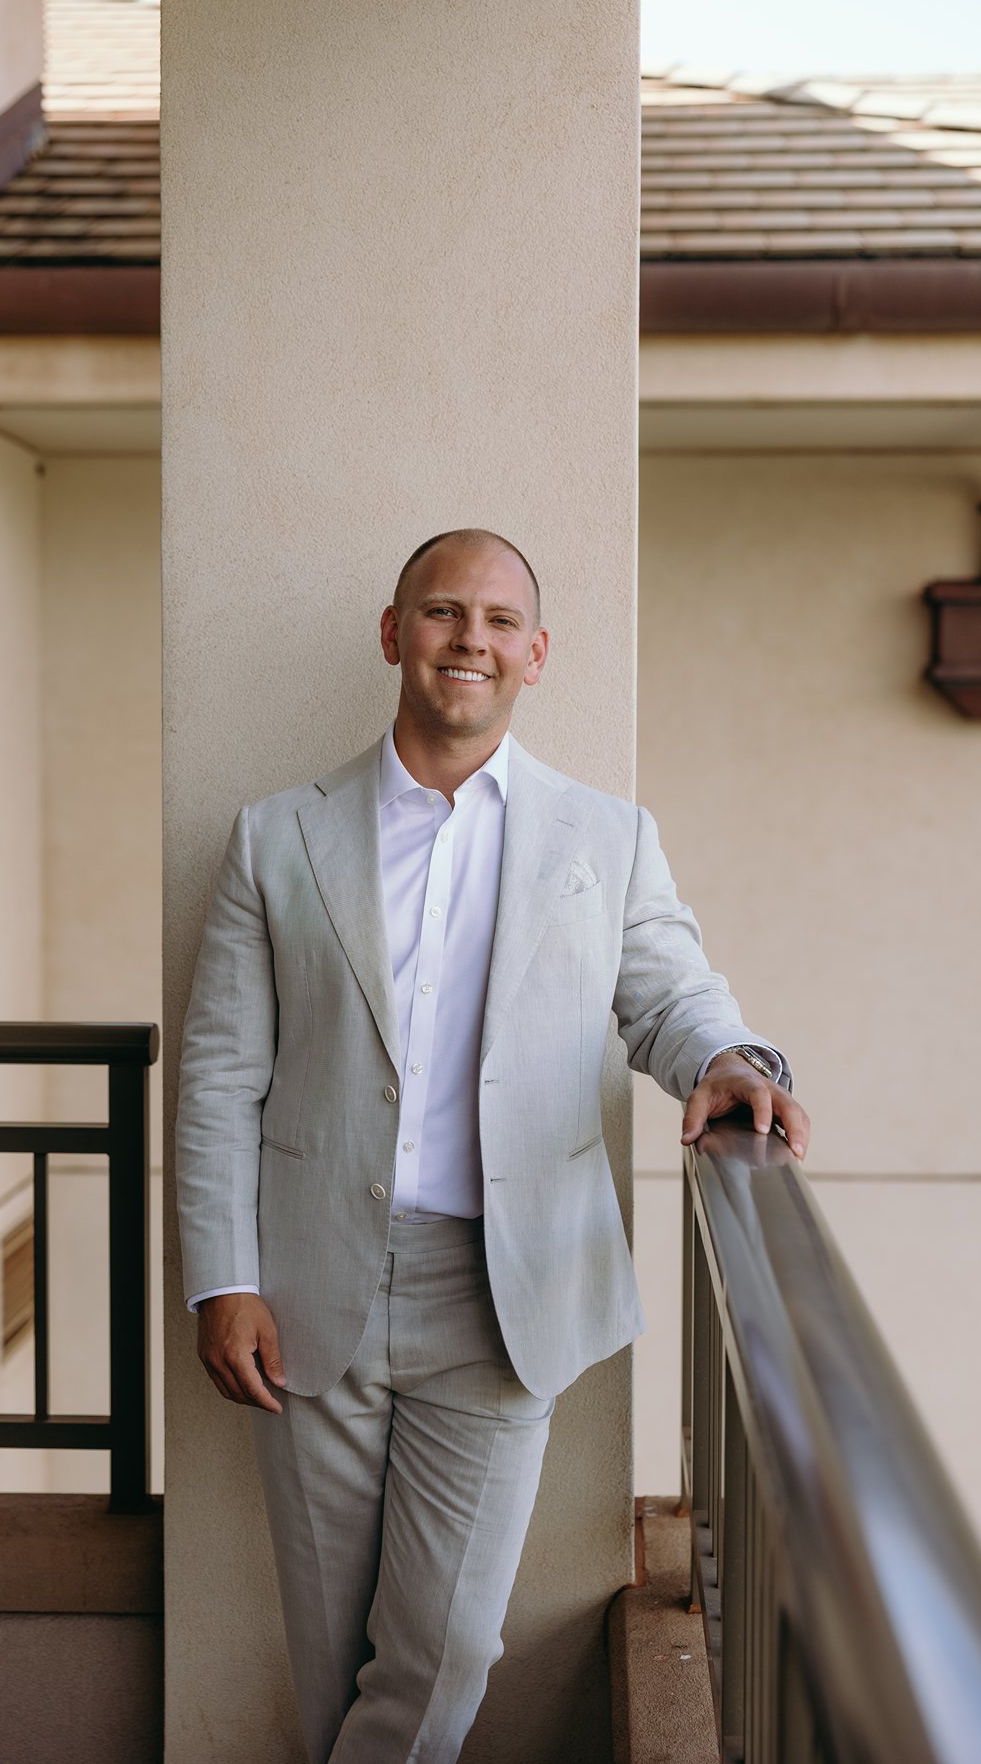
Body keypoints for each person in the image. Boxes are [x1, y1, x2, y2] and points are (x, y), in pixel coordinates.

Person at [175, 527, 809, 1763]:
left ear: (537, 653)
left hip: (503, 1293)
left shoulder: (604, 837)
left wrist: (737, 1065)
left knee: (447, 1647)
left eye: (499, 621)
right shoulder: (275, 837)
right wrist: (222, 1276)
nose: (471, 640)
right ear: (393, 632)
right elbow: (219, 1076)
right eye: (443, 612)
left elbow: (673, 1000)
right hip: (306, 1286)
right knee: (332, 1646)